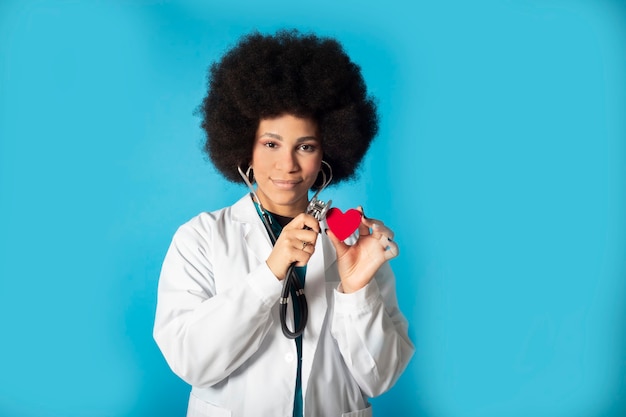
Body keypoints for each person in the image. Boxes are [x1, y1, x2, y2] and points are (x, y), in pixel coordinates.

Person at [153, 29, 414, 417]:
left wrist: (356, 289)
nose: (288, 165)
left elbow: (380, 378)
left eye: (305, 146)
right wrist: (269, 274)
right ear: (245, 146)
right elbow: (191, 361)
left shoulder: (355, 243)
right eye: (271, 144)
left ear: (329, 149)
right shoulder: (201, 238)